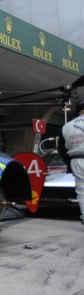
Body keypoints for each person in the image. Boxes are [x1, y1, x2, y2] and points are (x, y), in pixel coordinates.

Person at [59, 91, 84, 226]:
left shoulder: (66, 127)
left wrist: (69, 162)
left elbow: (61, 149)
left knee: (82, 192)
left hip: (76, 160)